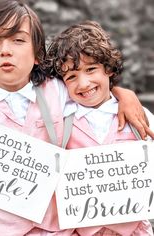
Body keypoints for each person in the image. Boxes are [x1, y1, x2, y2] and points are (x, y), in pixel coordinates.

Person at [0, 0, 153, 235]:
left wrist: (125, 95)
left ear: (38, 55)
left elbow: (91, 88)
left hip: (59, 230)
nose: (5, 50)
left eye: (18, 40)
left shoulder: (59, 91)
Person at [46, 20, 154, 235]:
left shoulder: (138, 116)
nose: (84, 83)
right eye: (71, 77)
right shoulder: (62, 121)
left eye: (91, 69)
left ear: (108, 69)